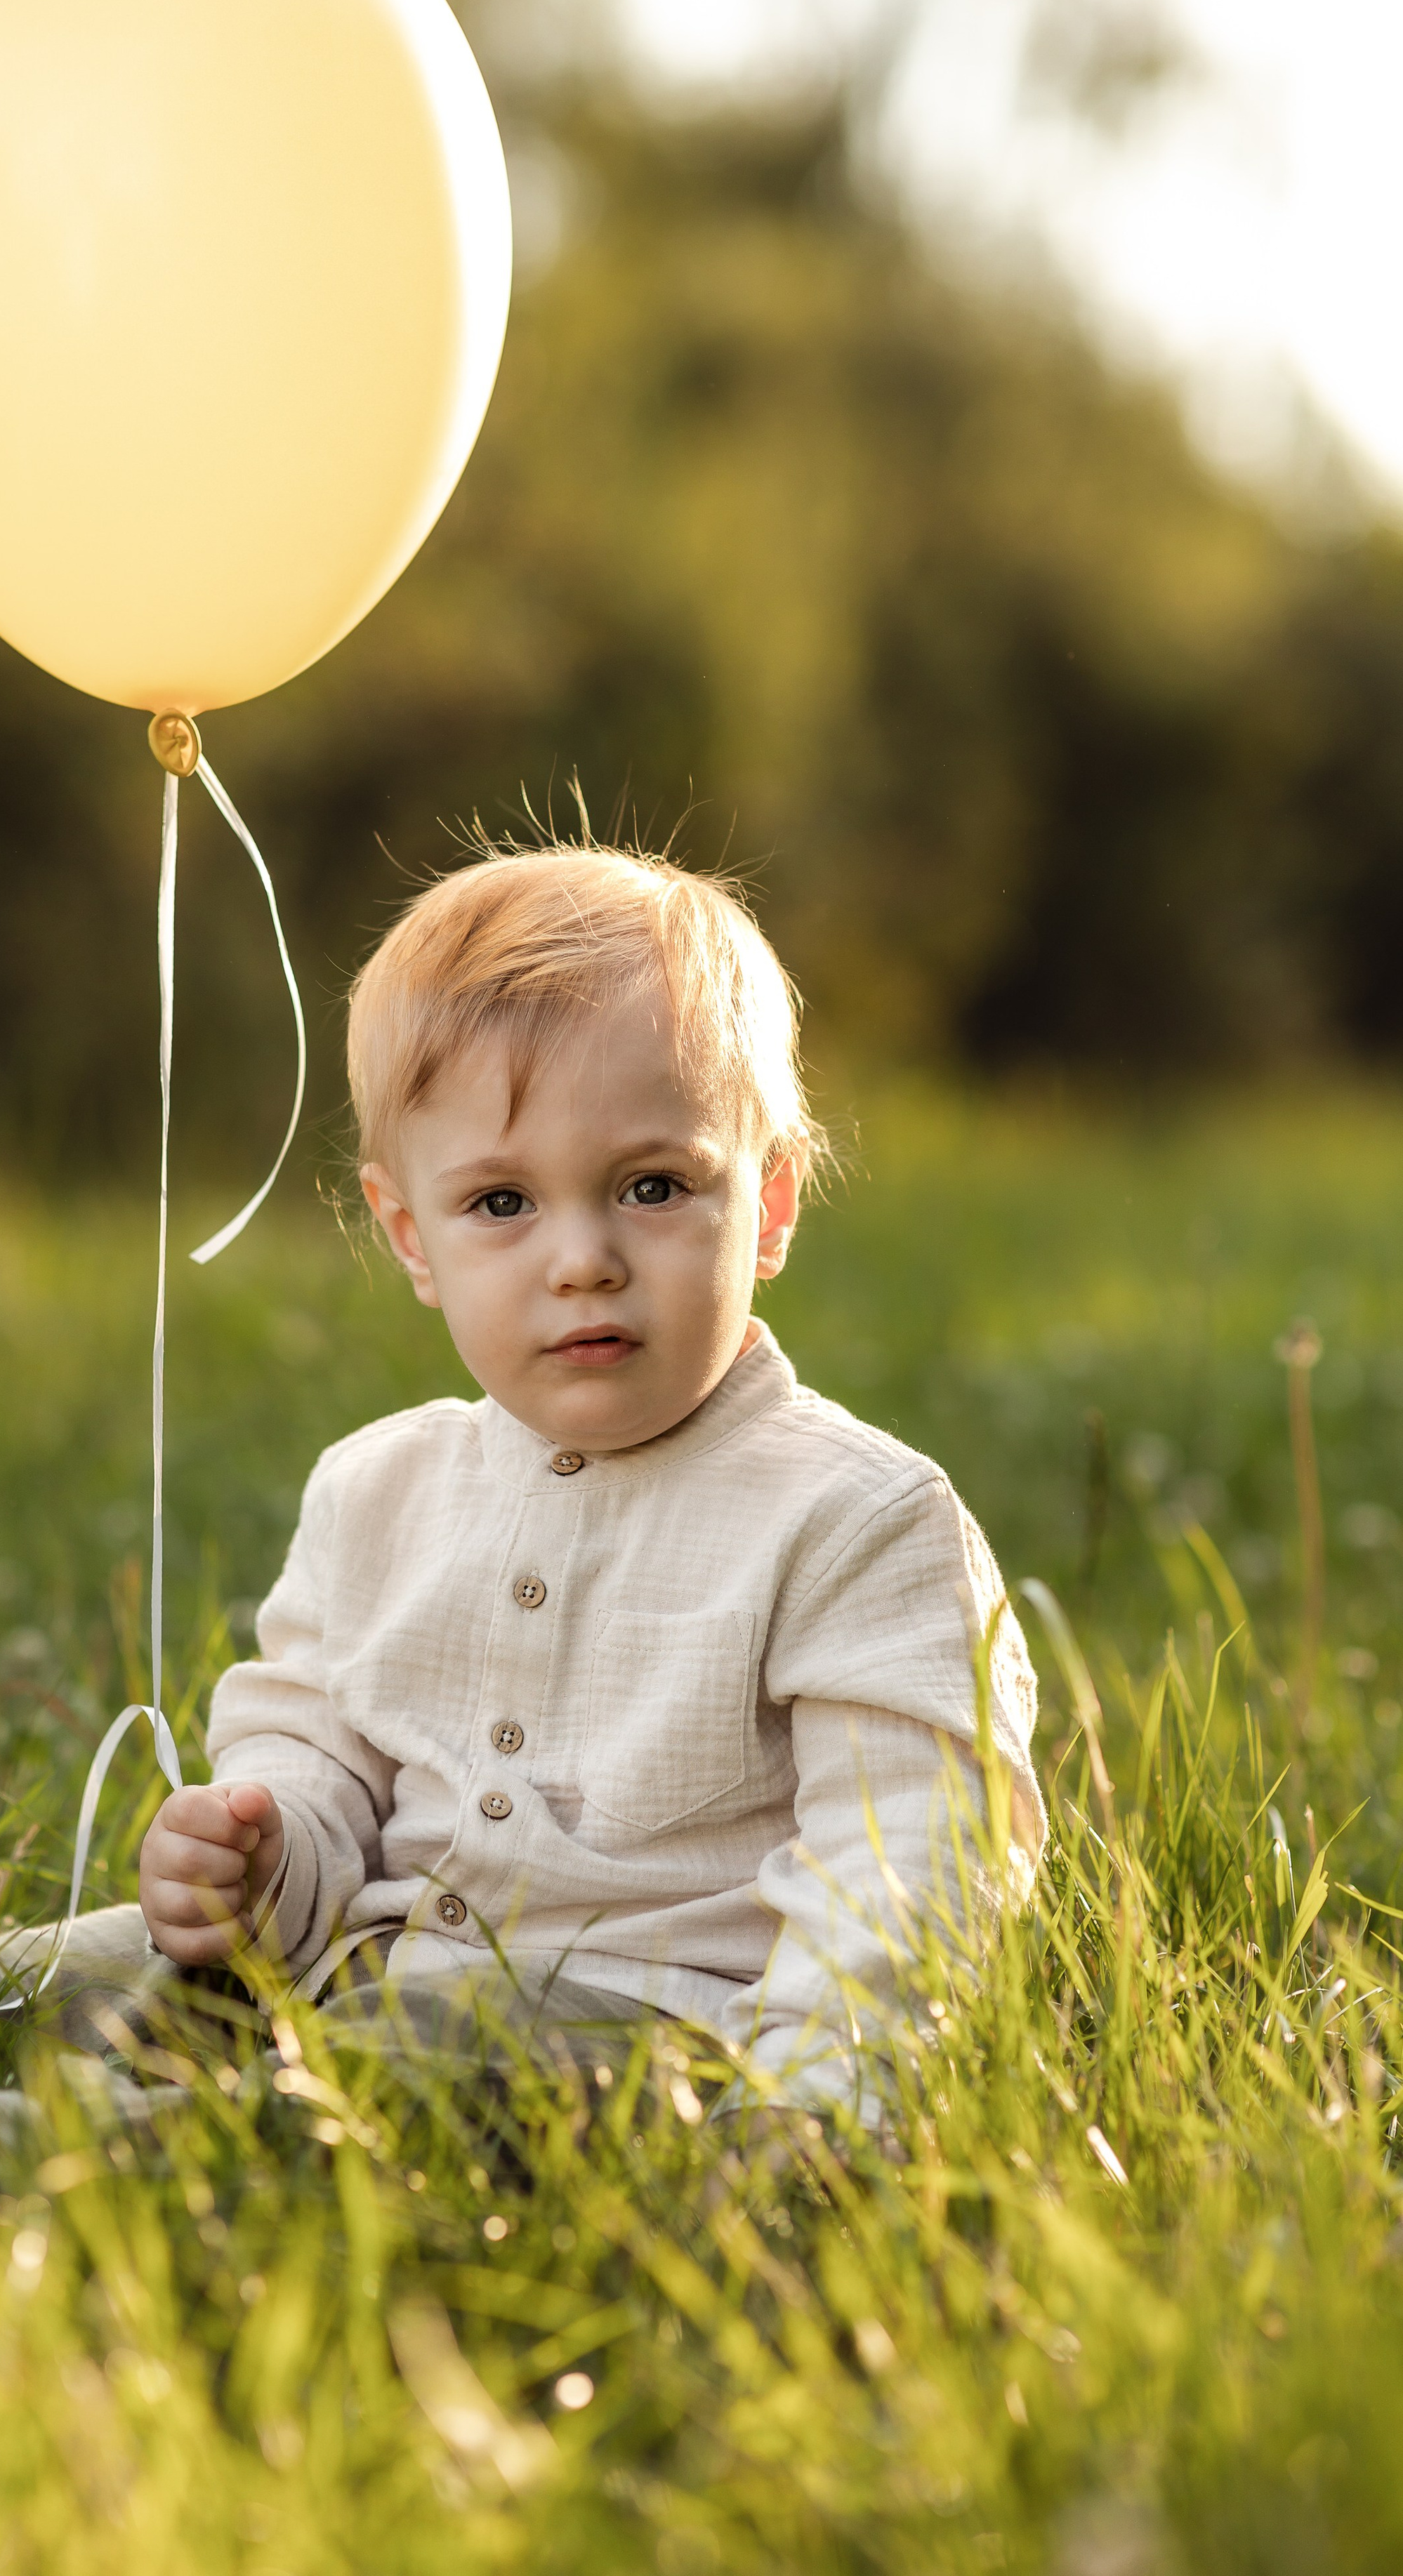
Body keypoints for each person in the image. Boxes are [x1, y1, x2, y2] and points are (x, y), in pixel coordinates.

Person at [126, 840, 1048, 2122]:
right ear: (414, 1238)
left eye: (653, 1186)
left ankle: (17, 2165)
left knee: (386, 2081)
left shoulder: (854, 1519)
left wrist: (810, 2120)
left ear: (771, 1204)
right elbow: (321, 1750)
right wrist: (263, 1846)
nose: (583, 1259)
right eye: (502, 1202)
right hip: (367, 1968)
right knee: (92, 1968)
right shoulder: (378, 1487)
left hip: (653, 2032)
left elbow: (908, 1873)